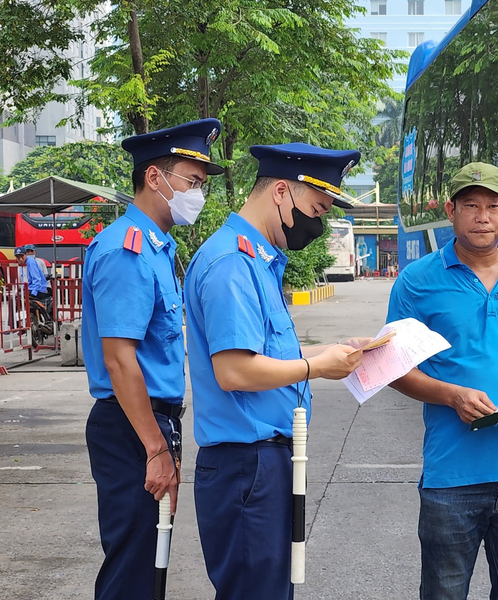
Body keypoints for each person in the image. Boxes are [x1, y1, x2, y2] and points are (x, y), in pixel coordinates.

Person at [184, 142, 367, 600]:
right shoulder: (232, 264)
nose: (318, 223)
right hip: (246, 466)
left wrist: (332, 350)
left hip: (264, 462)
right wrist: (316, 367)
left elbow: (265, 352)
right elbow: (234, 371)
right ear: (281, 192)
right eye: (316, 208)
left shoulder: (257, 260)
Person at [387, 162, 498, 600]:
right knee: (444, 591)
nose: (482, 216)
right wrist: (451, 395)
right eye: (471, 205)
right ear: (451, 210)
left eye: (493, 205)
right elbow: (393, 368)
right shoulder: (418, 280)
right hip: (452, 476)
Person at [81, 118, 224, 600]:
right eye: (192, 182)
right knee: (134, 564)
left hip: (151, 424)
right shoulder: (129, 250)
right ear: (154, 178)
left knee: (151, 555)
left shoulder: (159, 249)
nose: (198, 195)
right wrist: (155, 449)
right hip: (131, 426)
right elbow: (120, 360)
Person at [17, 244, 52, 310]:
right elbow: (21, 278)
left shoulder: (33, 262)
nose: (29, 253)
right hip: (29, 288)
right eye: (27, 252)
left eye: (31, 251)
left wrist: (34, 292)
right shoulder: (22, 264)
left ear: (34, 252)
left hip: (37, 288)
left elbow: (37, 278)